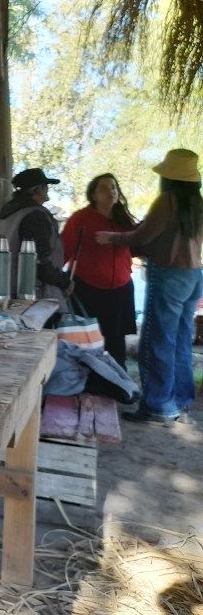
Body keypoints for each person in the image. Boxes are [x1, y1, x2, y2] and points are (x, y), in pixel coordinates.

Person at [97, 149, 203, 424]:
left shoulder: (168, 200)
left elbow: (144, 235)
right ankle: (179, 401)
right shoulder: (197, 202)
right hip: (194, 275)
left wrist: (112, 238)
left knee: (157, 342)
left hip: (168, 274)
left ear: (169, 177)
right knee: (181, 341)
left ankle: (158, 407)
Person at [61, 174, 139, 367]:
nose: (110, 191)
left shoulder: (124, 219)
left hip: (120, 289)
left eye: (113, 187)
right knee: (88, 343)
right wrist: (59, 281)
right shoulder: (80, 219)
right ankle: (89, 382)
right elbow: (63, 251)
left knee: (116, 343)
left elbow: (137, 248)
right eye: (104, 188)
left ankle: (118, 381)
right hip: (87, 290)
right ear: (93, 195)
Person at [0, 167, 73, 314]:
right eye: (45, 187)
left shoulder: (10, 215)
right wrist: (65, 282)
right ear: (37, 190)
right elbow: (38, 262)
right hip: (36, 300)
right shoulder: (35, 216)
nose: (47, 191)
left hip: (10, 293)